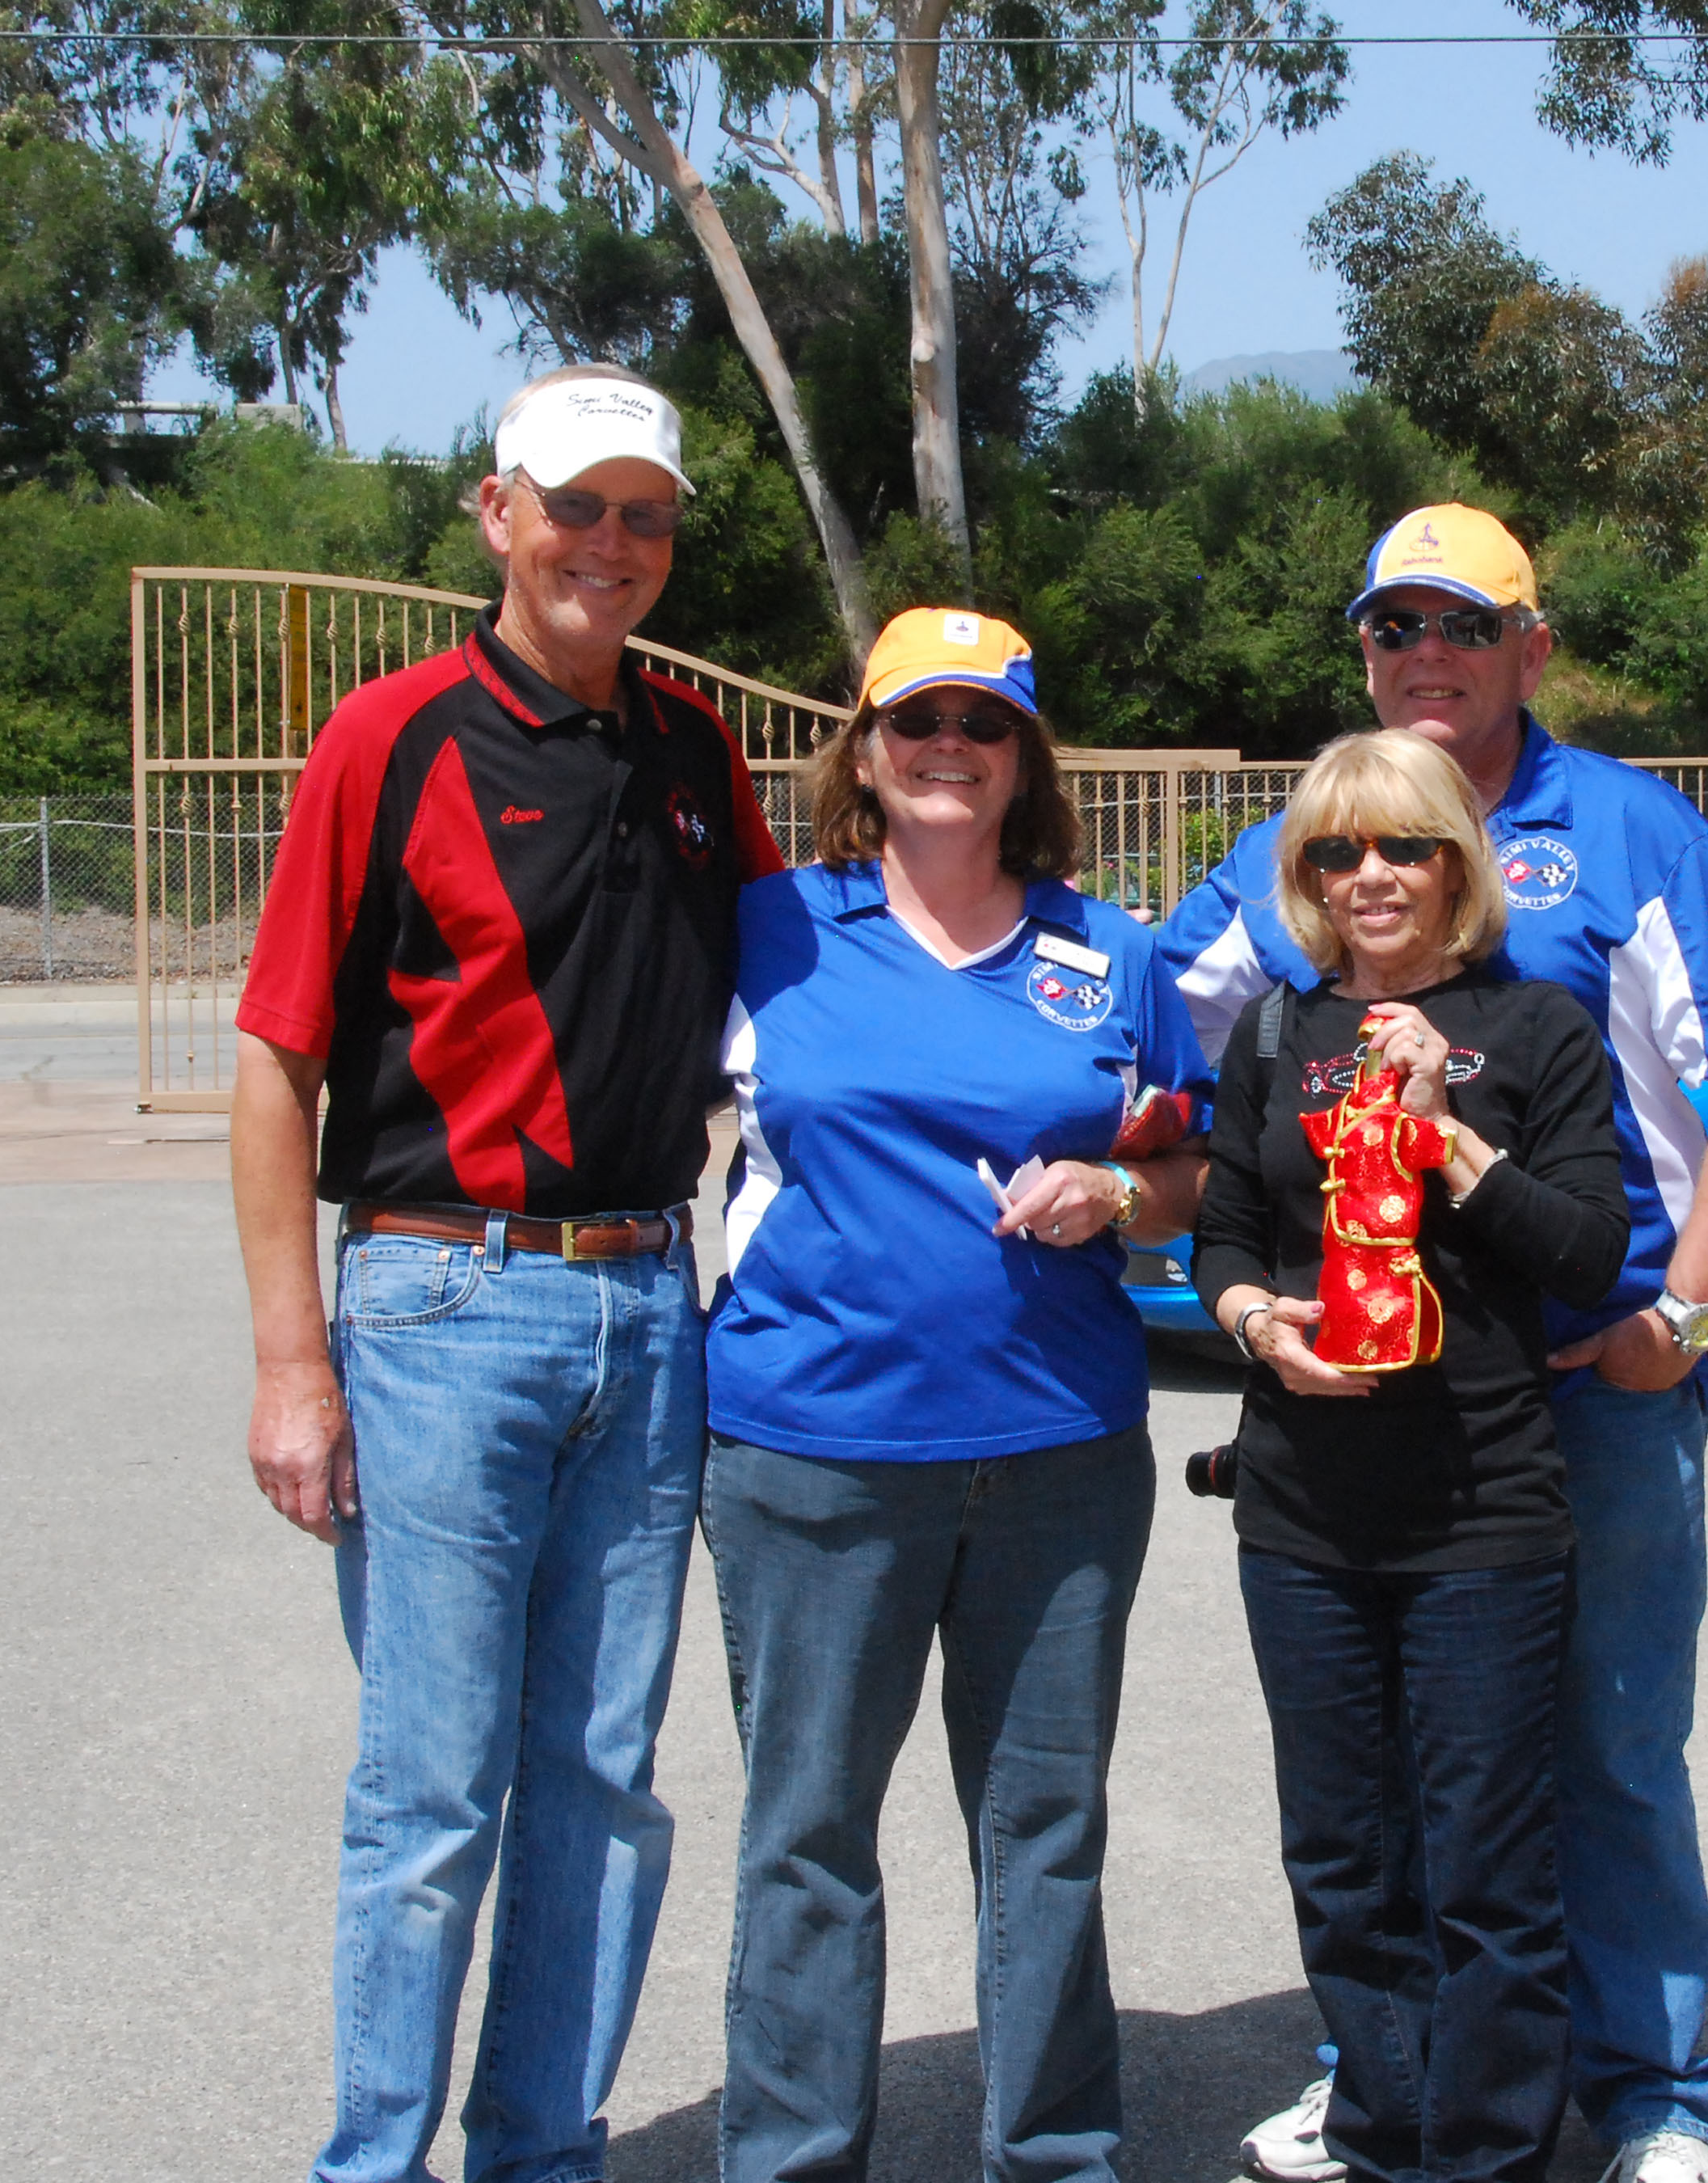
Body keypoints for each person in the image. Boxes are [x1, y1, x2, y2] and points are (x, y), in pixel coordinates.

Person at [1165, 507, 1708, 2183]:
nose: (1424, 656)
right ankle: (1387, 2080)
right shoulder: (1295, 841)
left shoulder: (1632, 830)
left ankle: (1652, 2089)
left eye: (1463, 625)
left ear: (1531, 648)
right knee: (1377, 1782)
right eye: (1394, 630)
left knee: (1599, 1747)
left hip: (1595, 1380)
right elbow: (1170, 1049)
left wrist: (1689, 1311)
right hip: (1358, 1408)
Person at [230, 362, 782, 2183]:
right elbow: (276, 1060)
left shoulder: (700, 756)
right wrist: (290, 1363)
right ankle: (374, 2161)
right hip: (441, 1304)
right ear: (496, 514)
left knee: (607, 1798)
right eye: (574, 506)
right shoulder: (386, 740)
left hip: (649, 1301)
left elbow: (813, 1015)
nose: (608, 545)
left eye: (644, 513)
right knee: (431, 1799)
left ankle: (542, 2154)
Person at [704, 607, 1213, 2183]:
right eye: (913, 722)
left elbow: (1186, 1169)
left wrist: (1116, 1200)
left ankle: (1054, 2154)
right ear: (863, 750)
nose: (946, 750)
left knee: (1044, 1833)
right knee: (807, 1841)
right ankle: (792, 2158)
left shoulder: (1109, 955)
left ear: (1024, 763)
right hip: (814, 1456)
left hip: (1058, 1460)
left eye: (980, 728)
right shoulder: (773, 929)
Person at [1196, 728, 1631, 2183]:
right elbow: (1224, 1236)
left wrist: (1450, 1138)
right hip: (1303, 1514)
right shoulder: (1276, 1031)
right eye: (1336, 852)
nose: (1370, 876)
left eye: (1403, 847)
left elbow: (1589, 1252)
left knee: (1491, 1878)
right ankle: (1389, 2135)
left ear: (1459, 862)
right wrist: (1259, 1322)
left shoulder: (1541, 1030)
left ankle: (1487, 2156)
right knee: (1343, 1865)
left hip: (1482, 1510)